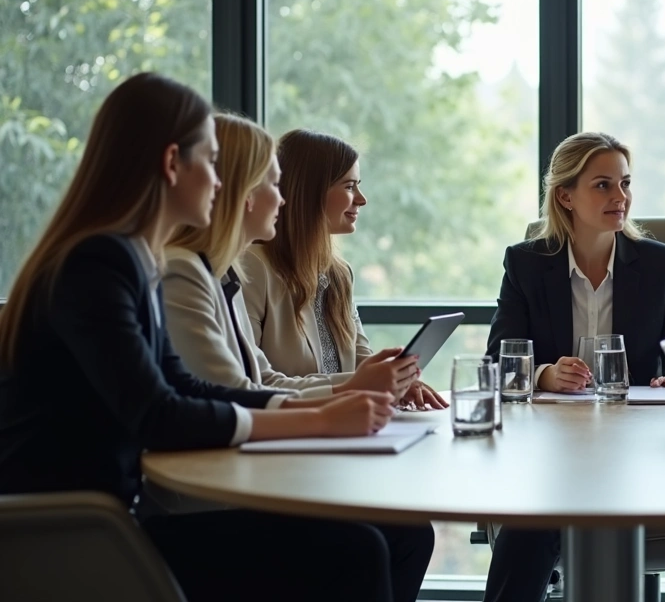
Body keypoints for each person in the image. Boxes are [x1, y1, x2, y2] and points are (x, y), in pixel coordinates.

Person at [0, 72, 433, 602]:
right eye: (211, 162)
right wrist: (320, 418)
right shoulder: (100, 264)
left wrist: (324, 407)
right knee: (354, 550)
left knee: (370, 542)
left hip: (102, 520)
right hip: (72, 533)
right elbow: (159, 414)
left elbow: (187, 388)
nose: (221, 182)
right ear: (171, 164)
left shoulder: (129, 260)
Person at [481, 131, 665, 601]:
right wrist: (544, 374)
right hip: (549, 451)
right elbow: (497, 361)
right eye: (603, 185)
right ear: (565, 196)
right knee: (531, 527)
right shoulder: (526, 264)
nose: (620, 197)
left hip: (640, 451)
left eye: (625, 183)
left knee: (538, 526)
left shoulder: (660, 264)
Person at [163, 113, 423, 402]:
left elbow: (255, 382)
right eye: (349, 186)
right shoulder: (229, 269)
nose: (282, 198)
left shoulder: (335, 274)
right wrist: (352, 391)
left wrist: (387, 380)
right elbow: (242, 390)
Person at [241, 129, 445, 410]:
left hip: (342, 425)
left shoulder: (338, 274)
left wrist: (396, 382)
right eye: (349, 186)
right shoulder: (253, 266)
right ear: (310, 192)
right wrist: (361, 384)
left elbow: (362, 361)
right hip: (290, 428)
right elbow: (252, 382)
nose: (362, 199)